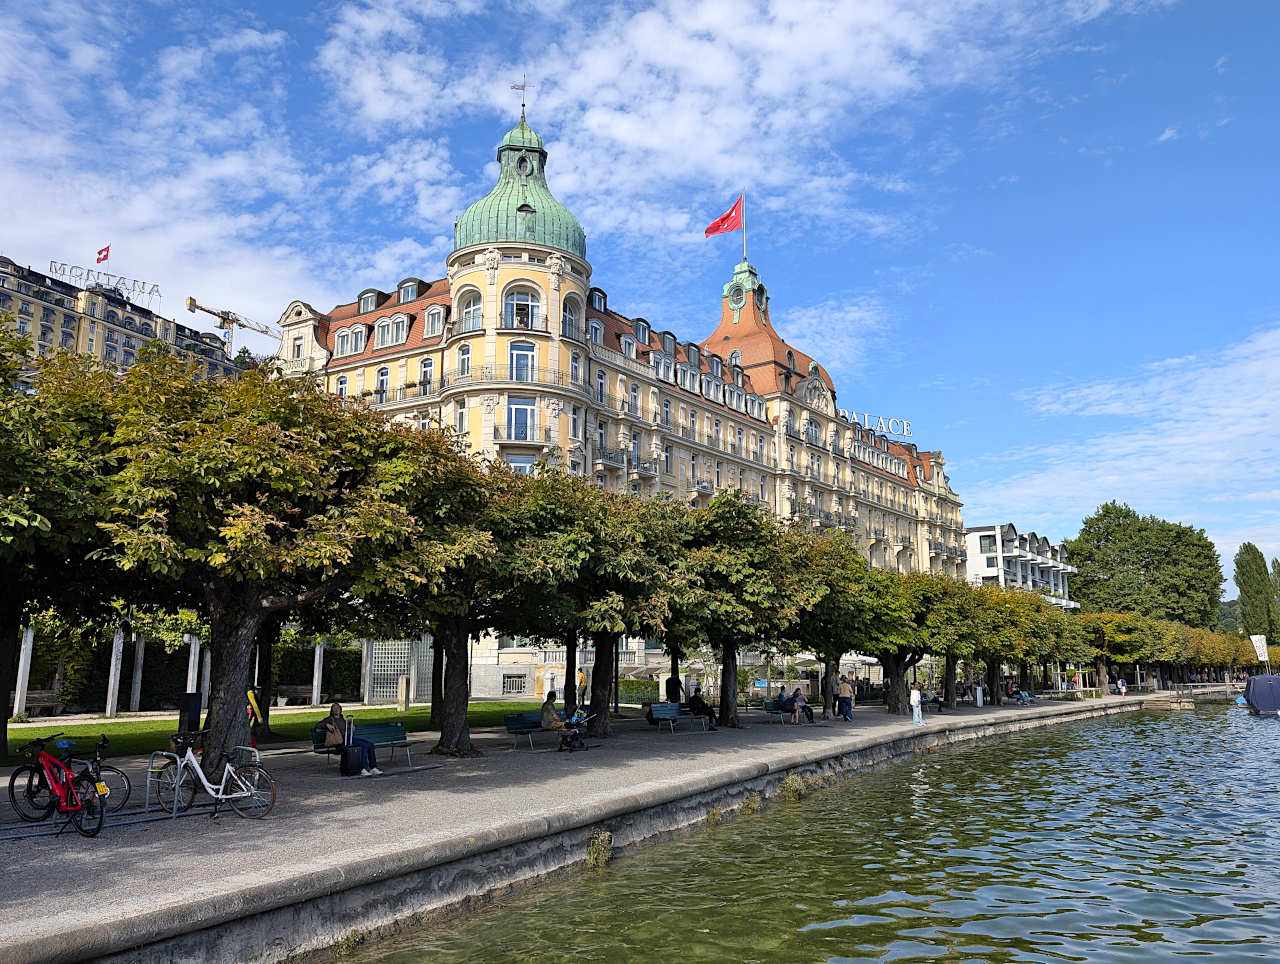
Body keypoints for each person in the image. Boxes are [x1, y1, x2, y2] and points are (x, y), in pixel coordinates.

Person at [322, 702, 381, 777]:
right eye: (334, 708)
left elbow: (345, 727)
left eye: (338, 708)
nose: (337, 710)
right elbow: (318, 725)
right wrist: (326, 724)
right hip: (342, 741)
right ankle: (363, 769)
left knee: (370, 745)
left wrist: (350, 724)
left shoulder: (342, 718)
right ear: (332, 710)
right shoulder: (330, 719)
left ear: (340, 710)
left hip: (349, 738)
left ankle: (373, 767)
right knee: (363, 746)